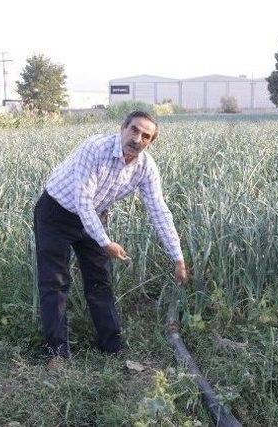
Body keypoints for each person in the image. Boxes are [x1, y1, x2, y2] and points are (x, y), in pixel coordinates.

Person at [33, 110, 187, 365]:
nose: (138, 138)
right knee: (55, 283)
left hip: (95, 216)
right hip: (56, 212)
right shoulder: (95, 148)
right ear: (123, 128)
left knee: (100, 280)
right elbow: (82, 201)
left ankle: (111, 346)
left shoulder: (145, 167)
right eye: (134, 130)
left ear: (150, 142)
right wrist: (105, 242)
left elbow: (159, 210)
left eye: (146, 136)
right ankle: (56, 353)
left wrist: (178, 257)